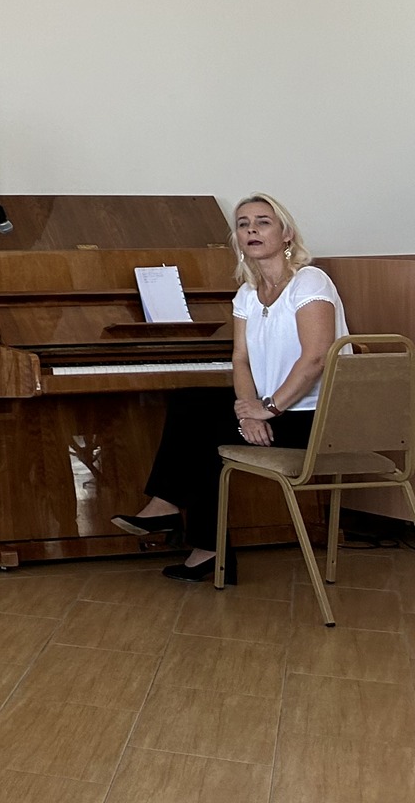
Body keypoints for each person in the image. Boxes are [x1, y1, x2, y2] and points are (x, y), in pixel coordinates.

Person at [111, 193, 346, 580]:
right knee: (188, 403)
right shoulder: (247, 294)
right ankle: (190, 530)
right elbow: (240, 359)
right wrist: (248, 410)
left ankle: (196, 535)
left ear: (286, 234)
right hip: (276, 411)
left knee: (204, 431)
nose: (252, 229)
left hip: (316, 418)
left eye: (263, 222)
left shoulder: (309, 281)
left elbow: (316, 358)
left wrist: (267, 410)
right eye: (243, 224)